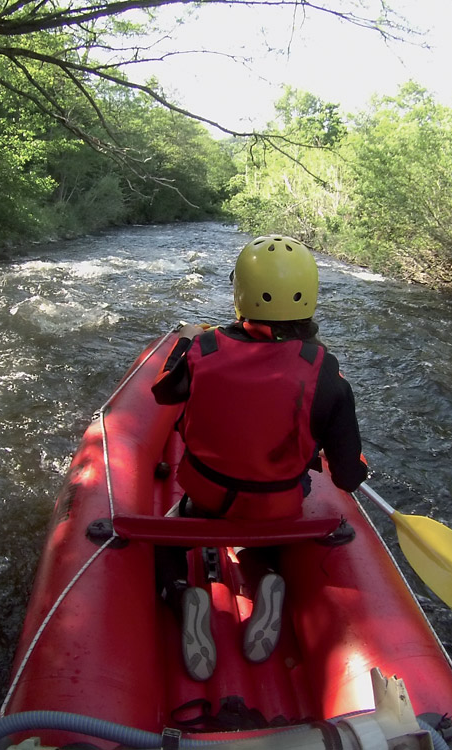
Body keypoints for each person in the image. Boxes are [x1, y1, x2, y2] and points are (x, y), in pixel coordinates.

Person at [152, 234, 368, 681]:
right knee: (259, 533)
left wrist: (189, 341)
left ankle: (180, 593)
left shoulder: (203, 349)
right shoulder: (325, 372)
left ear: (240, 293)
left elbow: (160, 392)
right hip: (277, 507)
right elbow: (347, 477)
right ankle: (262, 571)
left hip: (206, 497)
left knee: (165, 541)